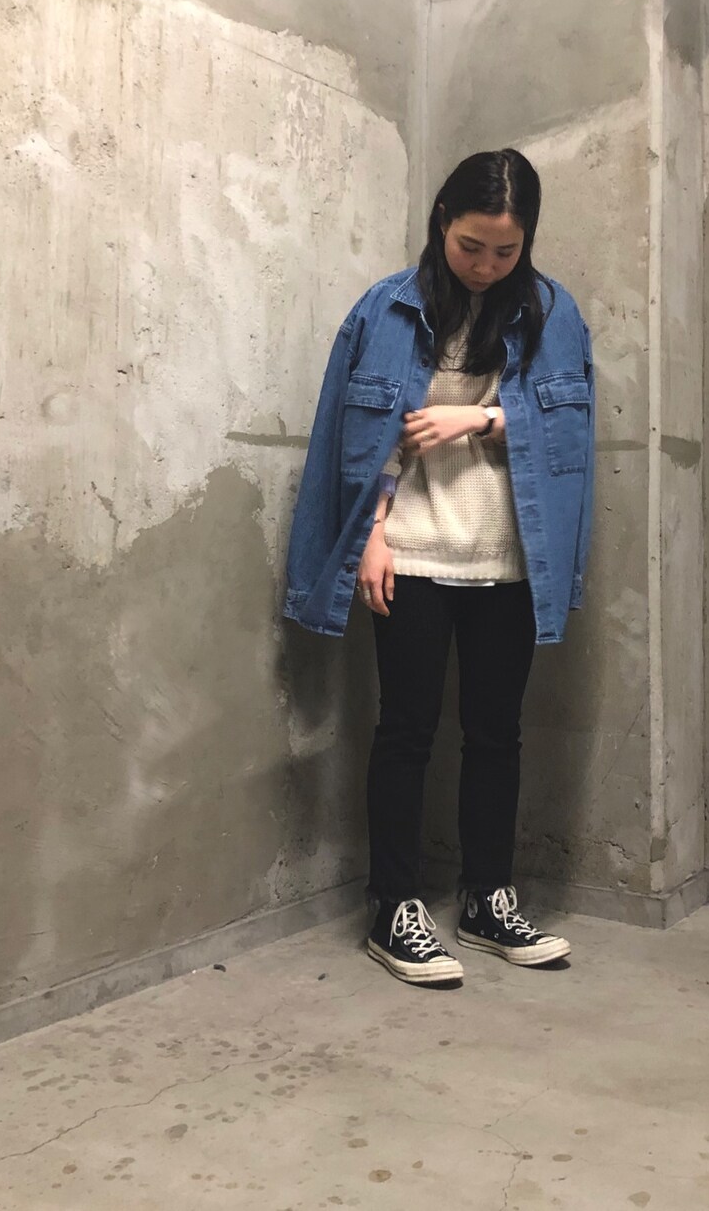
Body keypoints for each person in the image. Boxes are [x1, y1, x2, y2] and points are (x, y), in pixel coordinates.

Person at [285, 149, 595, 986]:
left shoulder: (552, 312)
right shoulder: (385, 310)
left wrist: (480, 419)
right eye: (471, 247)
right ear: (441, 224)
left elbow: (570, 431)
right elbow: (349, 439)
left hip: (510, 557)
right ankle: (394, 907)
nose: (487, 265)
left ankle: (488, 899)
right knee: (406, 732)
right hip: (412, 552)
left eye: (506, 251)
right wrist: (369, 538)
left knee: (496, 734)